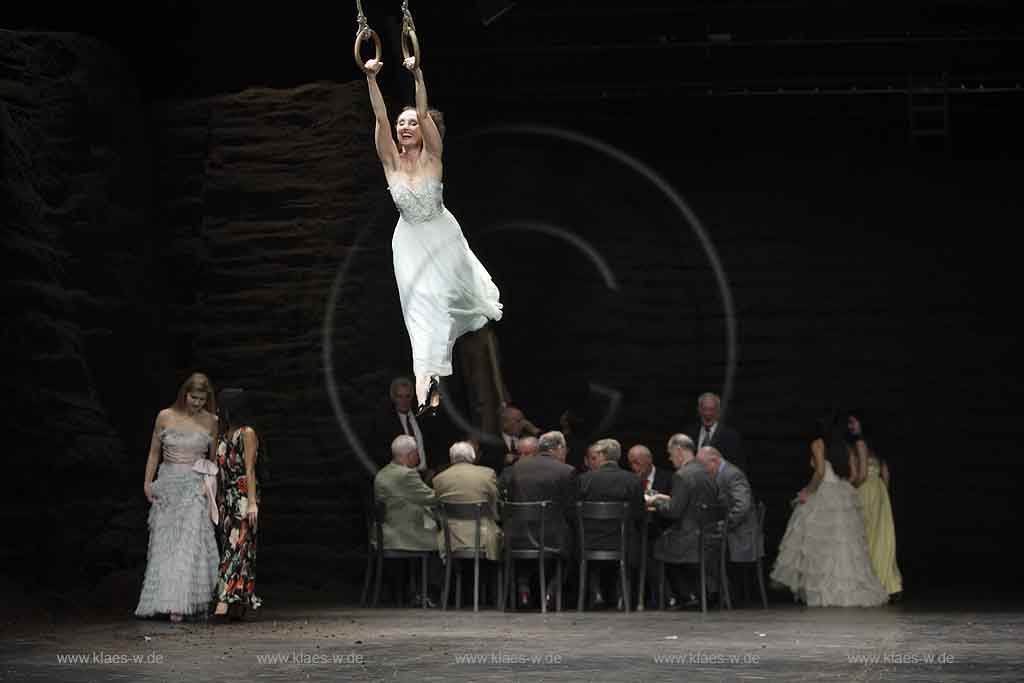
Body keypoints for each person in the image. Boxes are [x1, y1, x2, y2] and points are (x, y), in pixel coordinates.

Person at [363, 54, 502, 415]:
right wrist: (371, 78)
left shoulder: (432, 158)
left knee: (443, 303)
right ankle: (429, 387)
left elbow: (424, 115)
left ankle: (436, 375)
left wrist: (417, 73)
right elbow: (379, 116)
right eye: (402, 123)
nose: (406, 126)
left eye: (411, 123)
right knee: (419, 314)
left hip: (441, 237)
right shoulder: (391, 162)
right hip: (409, 241)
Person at [769, 410, 888, 607]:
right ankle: (843, 591)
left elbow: (820, 472)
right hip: (842, 493)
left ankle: (823, 591)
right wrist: (843, 486)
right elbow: (856, 475)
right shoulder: (845, 447)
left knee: (820, 547)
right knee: (843, 546)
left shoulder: (818, 443)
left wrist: (808, 491)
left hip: (824, 492)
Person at [135, 373, 220, 622]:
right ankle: (163, 600)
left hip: (195, 485)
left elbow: (215, 459)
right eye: (194, 397)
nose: (197, 403)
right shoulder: (165, 416)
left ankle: (180, 605)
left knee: (189, 546)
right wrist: (147, 482)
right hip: (168, 485)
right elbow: (154, 452)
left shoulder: (211, 421)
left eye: (202, 399)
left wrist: (209, 483)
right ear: (185, 394)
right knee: (166, 545)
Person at [503, 431, 577, 608]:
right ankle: (551, 591)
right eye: (564, 449)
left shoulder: (516, 468)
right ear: (558, 448)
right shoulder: (566, 471)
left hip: (518, 536)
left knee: (528, 553)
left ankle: (523, 588)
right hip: (552, 538)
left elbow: (512, 502)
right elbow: (571, 509)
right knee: (576, 544)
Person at [651, 434, 719, 608]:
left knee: (655, 547)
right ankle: (697, 593)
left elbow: (673, 512)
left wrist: (655, 502)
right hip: (708, 534)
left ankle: (683, 596)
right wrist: (666, 498)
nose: (670, 458)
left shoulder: (682, 475)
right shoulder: (706, 472)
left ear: (679, 451)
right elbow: (693, 502)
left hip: (689, 537)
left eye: (670, 453)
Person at [577, 439, 645, 609]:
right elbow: (639, 514)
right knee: (637, 537)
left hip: (590, 542)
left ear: (602, 456)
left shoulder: (584, 480)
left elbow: (574, 512)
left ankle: (596, 593)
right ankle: (623, 596)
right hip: (623, 542)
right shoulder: (632, 480)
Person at [212, 388, 262, 620]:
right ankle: (238, 602)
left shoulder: (246, 433)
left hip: (243, 495)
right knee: (234, 547)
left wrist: (252, 502)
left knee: (238, 546)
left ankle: (223, 599)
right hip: (227, 497)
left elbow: (250, 468)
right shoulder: (223, 434)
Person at [374, 435, 440, 606]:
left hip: (385, 532)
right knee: (442, 542)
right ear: (409, 454)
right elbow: (430, 498)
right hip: (402, 533)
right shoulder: (407, 475)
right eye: (417, 452)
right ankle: (427, 593)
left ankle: (416, 592)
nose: (418, 456)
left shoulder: (382, 472)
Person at [849, 413, 903, 599]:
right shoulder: (876, 446)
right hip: (879, 491)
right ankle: (886, 584)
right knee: (880, 536)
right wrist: (883, 495)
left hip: (866, 490)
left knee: (868, 536)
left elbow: (862, 475)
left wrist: (847, 489)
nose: (850, 426)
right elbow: (886, 473)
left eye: (853, 421)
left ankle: (871, 584)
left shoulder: (860, 444)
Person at [432, 441, 502, 562]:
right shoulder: (488, 474)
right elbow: (495, 503)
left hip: (452, 538)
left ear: (451, 458)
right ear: (473, 456)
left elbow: (438, 511)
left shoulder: (439, 479)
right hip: (483, 537)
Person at [696, 447, 762, 565]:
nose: (703, 471)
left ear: (714, 460)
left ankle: (713, 582)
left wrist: (722, 525)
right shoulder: (720, 473)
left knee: (701, 547)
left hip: (739, 535)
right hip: (729, 533)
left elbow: (742, 506)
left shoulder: (733, 474)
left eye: (704, 466)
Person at [373, 377, 439, 479]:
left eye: (407, 396)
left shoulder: (422, 418)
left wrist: (432, 469)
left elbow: (432, 444)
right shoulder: (386, 425)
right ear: (394, 398)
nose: (404, 401)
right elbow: (383, 455)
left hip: (428, 477)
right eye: (400, 396)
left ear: (412, 397)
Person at [686, 393, 747, 475]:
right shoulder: (688, 434)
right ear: (699, 410)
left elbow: (738, 471)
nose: (708, 414)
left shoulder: (731, 437)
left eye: (712, 409)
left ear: (718, 411)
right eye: (704, 409)